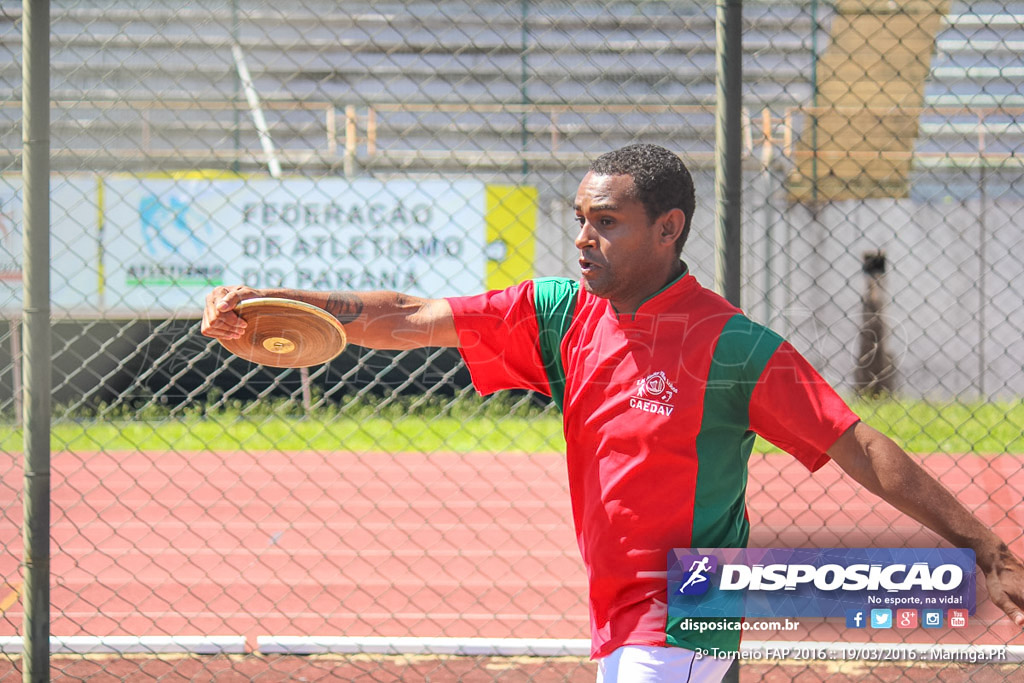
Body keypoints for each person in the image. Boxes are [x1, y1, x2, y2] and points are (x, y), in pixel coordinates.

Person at [202, 144, 1024, 682]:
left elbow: (857, 443)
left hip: (686, 611)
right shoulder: (560, 313)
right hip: (619, 612)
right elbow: (408, 315)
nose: (584, 239)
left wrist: (980, 541)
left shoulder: (730, 344)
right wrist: (275, 308)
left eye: (607, 222)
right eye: (580, 221)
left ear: (667, 229)